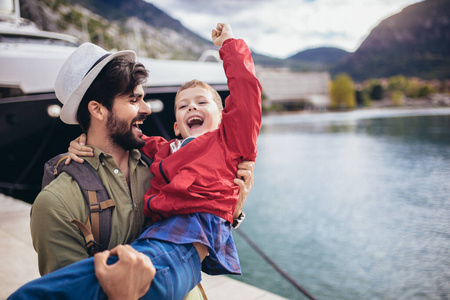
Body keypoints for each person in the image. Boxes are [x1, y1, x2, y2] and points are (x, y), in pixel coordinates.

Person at [9, 22, 260, 300]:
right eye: (133, 100)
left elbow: (247, 98)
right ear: (97, 110)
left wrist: (233, 212)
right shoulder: (56, 204)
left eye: (143, 99)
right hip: (161, 252)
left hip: (177, 251)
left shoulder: (154, 163)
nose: (146, 108)